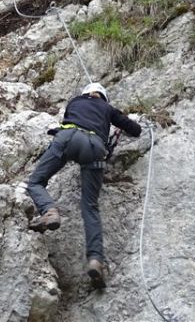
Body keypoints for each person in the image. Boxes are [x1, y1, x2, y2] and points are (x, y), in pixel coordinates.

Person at [26, 82, 142, 289]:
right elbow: (134, 130)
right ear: (104, 98)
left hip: (67, 137)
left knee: (35, 181)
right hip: (94, 147)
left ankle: (49, 210)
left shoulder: (75, 101)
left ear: (86, 93)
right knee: (89, 206)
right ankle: (96, 260)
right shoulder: (108, 109)